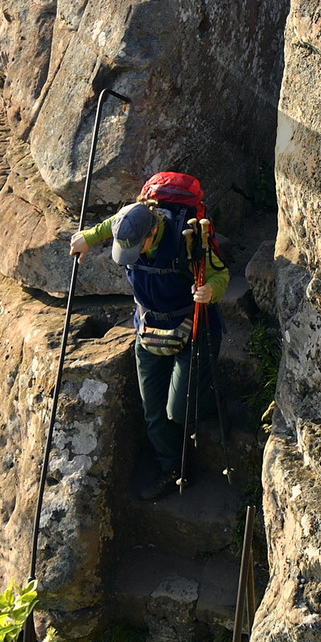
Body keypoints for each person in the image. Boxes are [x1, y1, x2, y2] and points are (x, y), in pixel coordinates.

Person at [73, 169, 230, 499]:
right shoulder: (132, 220)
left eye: (137, 248)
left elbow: (220, 274)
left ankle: (207, 403)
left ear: (152, 231)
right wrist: (87, 238)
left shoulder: (187, 239)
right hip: (148, 327)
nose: (134, 255)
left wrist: (210, 291)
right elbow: (111, 224)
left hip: (194, 327)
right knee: (154, 412)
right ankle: (173, 469)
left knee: (177, 409)